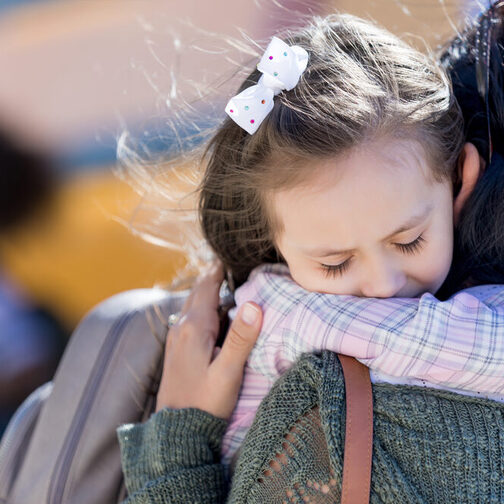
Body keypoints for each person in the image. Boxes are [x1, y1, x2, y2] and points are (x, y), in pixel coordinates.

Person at [118, 5, 504, 502]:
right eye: (335, 263)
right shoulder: (281, 322)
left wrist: (173, 459)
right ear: (272, 241)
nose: (383, 285)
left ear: (460, 180)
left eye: (408, 240)